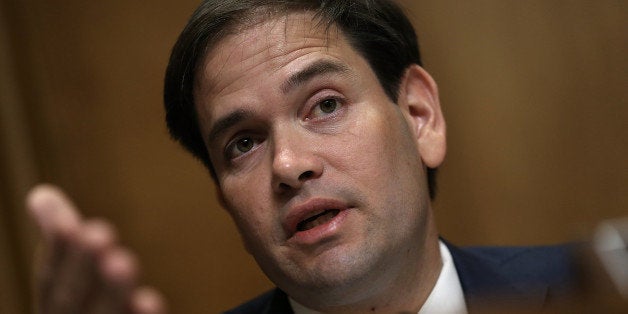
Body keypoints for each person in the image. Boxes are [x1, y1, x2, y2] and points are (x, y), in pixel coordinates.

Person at [26, 1, 576, 313]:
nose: (288, 165)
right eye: (243, 143)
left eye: (325, 105)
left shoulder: (593, 293)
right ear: (225, 201)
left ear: (418, 116)